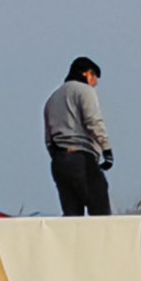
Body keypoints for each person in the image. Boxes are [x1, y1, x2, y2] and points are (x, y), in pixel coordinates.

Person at [44, 58, 113, 215]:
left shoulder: (52, 98)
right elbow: (93, 121)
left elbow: (48, 139)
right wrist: (106, 150)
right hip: (82, 159)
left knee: (72, 218)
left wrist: (59, 157)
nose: (95, 83)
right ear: (87, 73)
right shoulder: (84, 90)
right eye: (94, 77)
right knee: (100, 214)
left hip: (60, 163)